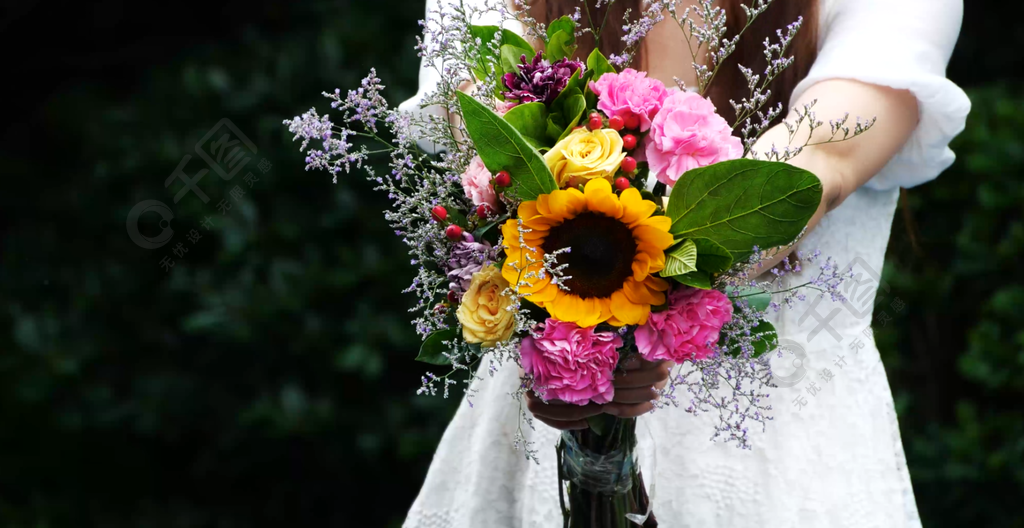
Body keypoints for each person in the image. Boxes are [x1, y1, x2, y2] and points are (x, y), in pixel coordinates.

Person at [400, 0, 970, 526]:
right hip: (551, 405)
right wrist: (579, 347)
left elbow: (824, 159)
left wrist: (631, 296)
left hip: (783, 443)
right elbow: (488, 136)